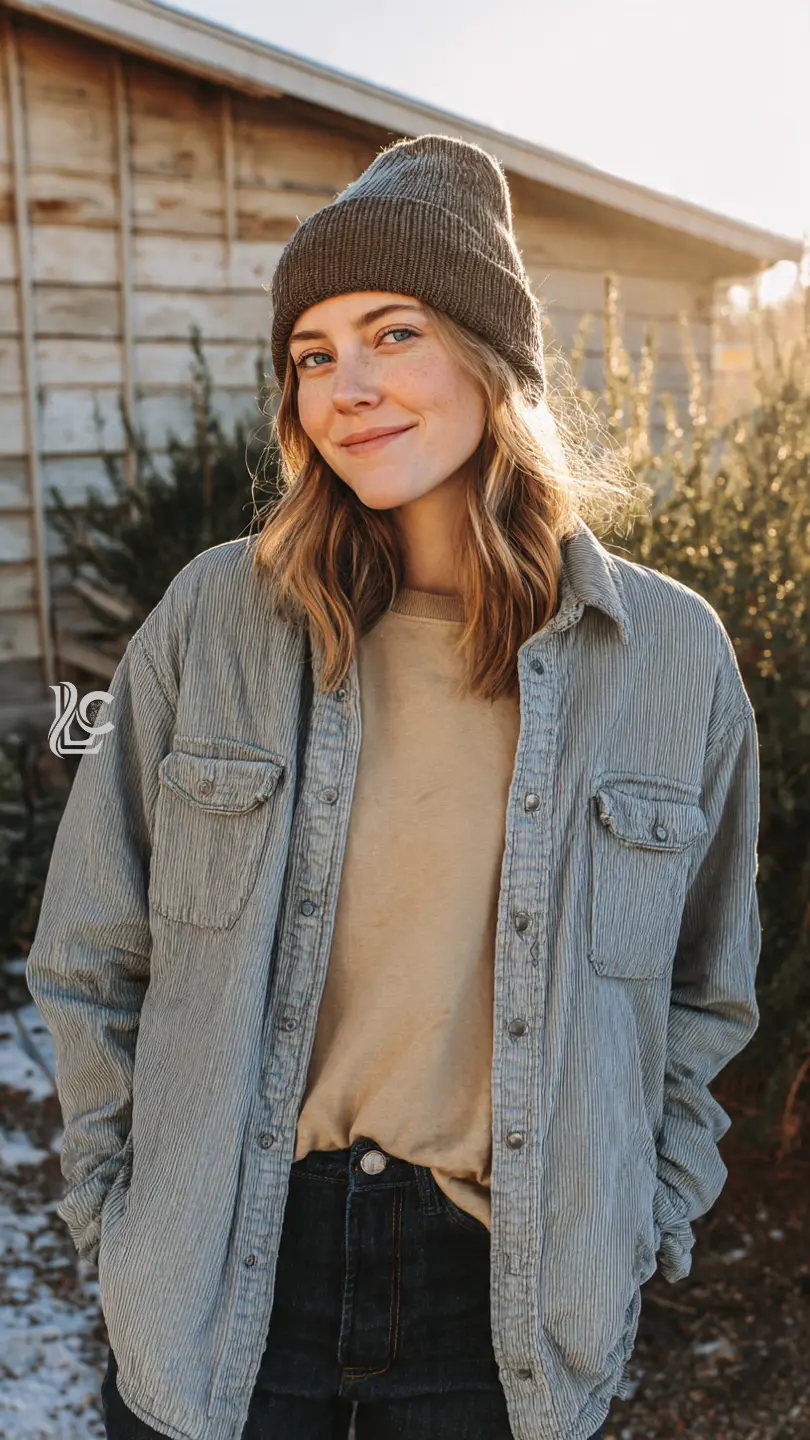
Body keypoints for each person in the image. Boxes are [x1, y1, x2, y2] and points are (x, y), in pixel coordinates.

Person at [26, 134, 762, 1440]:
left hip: (504, 1293)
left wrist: (644, 1212)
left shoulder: (665, 659)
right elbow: (91, 945)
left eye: (391, 333)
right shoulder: (218, 618)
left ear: (492, 359)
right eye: (312, 354)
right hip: (223, 1271)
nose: (345, 385)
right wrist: (112, 1207)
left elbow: (703, 990)